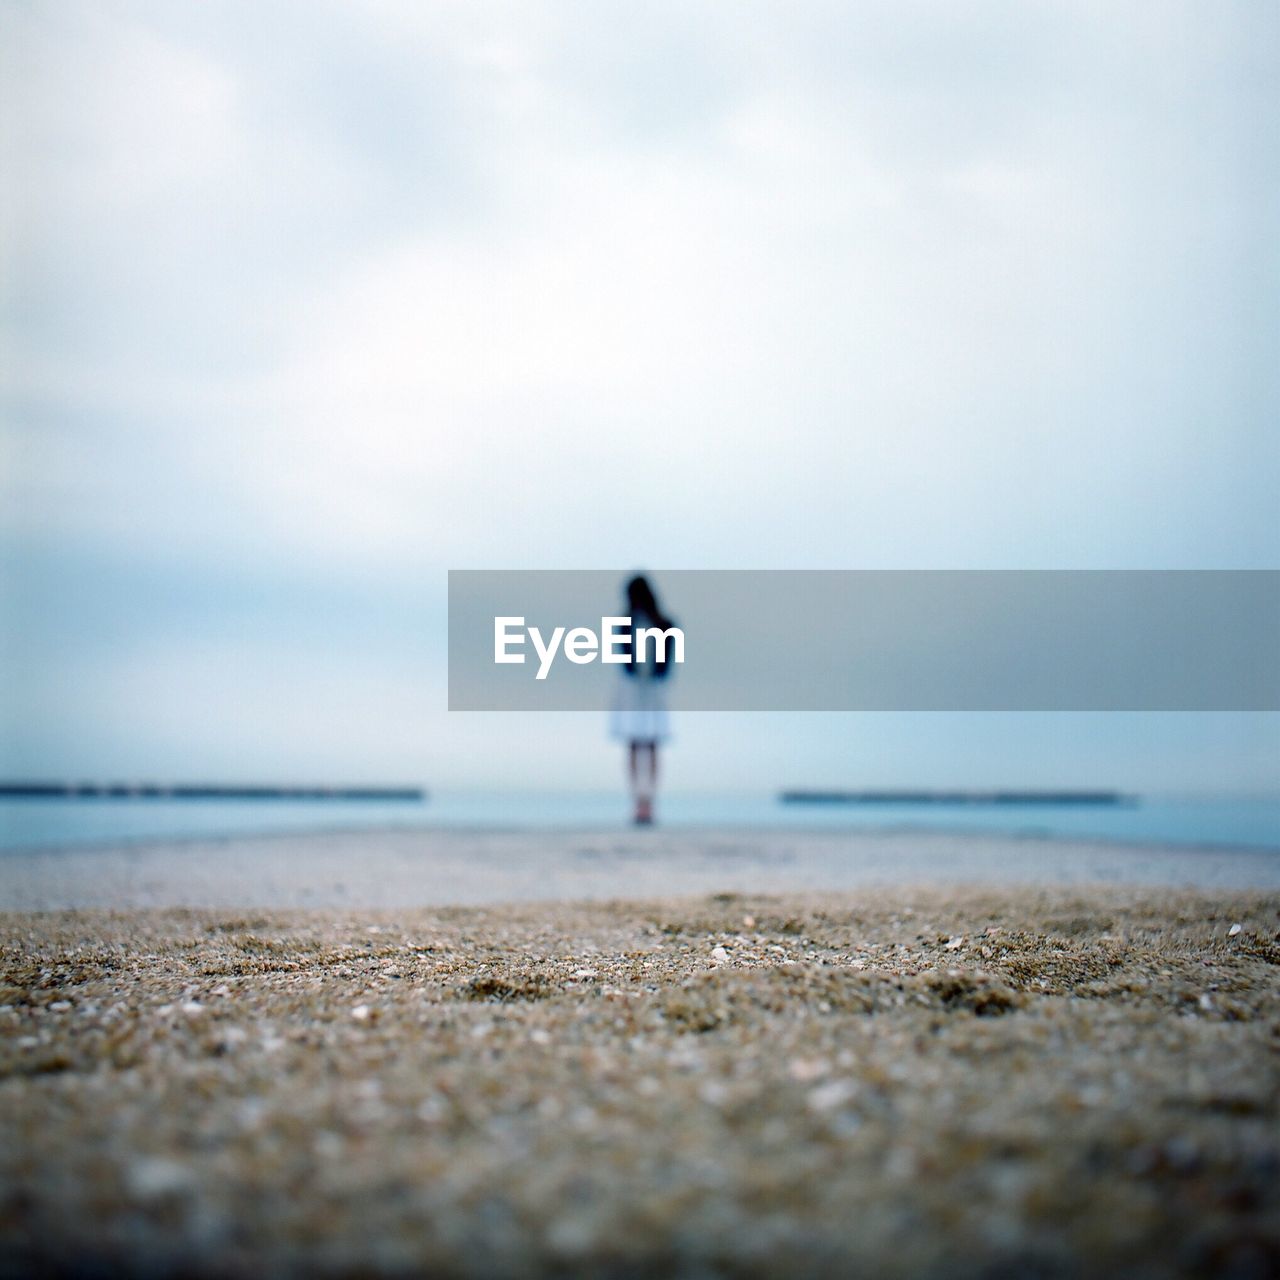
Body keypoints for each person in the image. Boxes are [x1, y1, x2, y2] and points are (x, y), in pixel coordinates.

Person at [609, 574, 674, 825]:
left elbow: (667, 657)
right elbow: (624, 657)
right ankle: (638, 799)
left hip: (653, 688)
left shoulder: (663, 623)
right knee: (635, 742)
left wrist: (656, 674)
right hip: (632, 689)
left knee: (652, 743)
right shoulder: (625, 623)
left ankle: (649, 801)